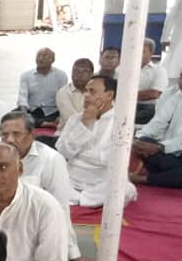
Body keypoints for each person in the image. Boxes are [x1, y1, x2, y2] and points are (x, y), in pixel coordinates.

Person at [0, 111, 93, 261]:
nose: (9, 140)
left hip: (33, 227)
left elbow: (61, 208)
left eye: (16, 134)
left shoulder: (51, 160)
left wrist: (72, 252)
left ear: (32, 135)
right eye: (4, 135)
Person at [56, 75, 138, 207]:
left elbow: (110, 159)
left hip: (101, 181)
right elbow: (62, 152)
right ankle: (86, 200)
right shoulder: (76, 119)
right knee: (41, 176)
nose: (86, 95)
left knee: (126, 189)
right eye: (86, 91)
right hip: (71, 177)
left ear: (109, 95)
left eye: (92, 91)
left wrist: (79, 154)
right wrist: (85, 124)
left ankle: (77, 199)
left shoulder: (122, 122)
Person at [132, 73, 182, 188]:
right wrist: (138, 139)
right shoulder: (175, 94)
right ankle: (167, 176)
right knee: (144, 141)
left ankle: (145, 179)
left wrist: (161, 147)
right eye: (181, 77)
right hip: (170, 154)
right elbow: (159, 121)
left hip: (171, 150)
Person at [17, 48, 68, 127]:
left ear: (53, 60)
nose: (40, 59)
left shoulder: (61, 75)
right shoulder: (26, 75)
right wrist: (24, 114)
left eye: (44, 56)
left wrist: (61, 115)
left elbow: (63, 98)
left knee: (68, 117)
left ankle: (40, 123)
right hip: (32, 112)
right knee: (12, 117)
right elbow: (22, 98)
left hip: (52, 112)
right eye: (38, 56)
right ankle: (44, 124)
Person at [53, 58, 94, 140]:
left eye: (84, 71)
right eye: (76, 71)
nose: (79, 75)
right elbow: (71, 120)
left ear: (91, 75)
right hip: (65, 137)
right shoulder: (63, 92)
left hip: (91, 137)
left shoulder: (96, 93)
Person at [131, 38, 169, 124]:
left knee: (151, 111)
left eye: (142, 51)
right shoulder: (122, 68)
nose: (137, 54)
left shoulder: (159, 70)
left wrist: (127, 96)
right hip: (125, 104)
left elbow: (154, 94)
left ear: (151, 53)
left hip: (147, 106)